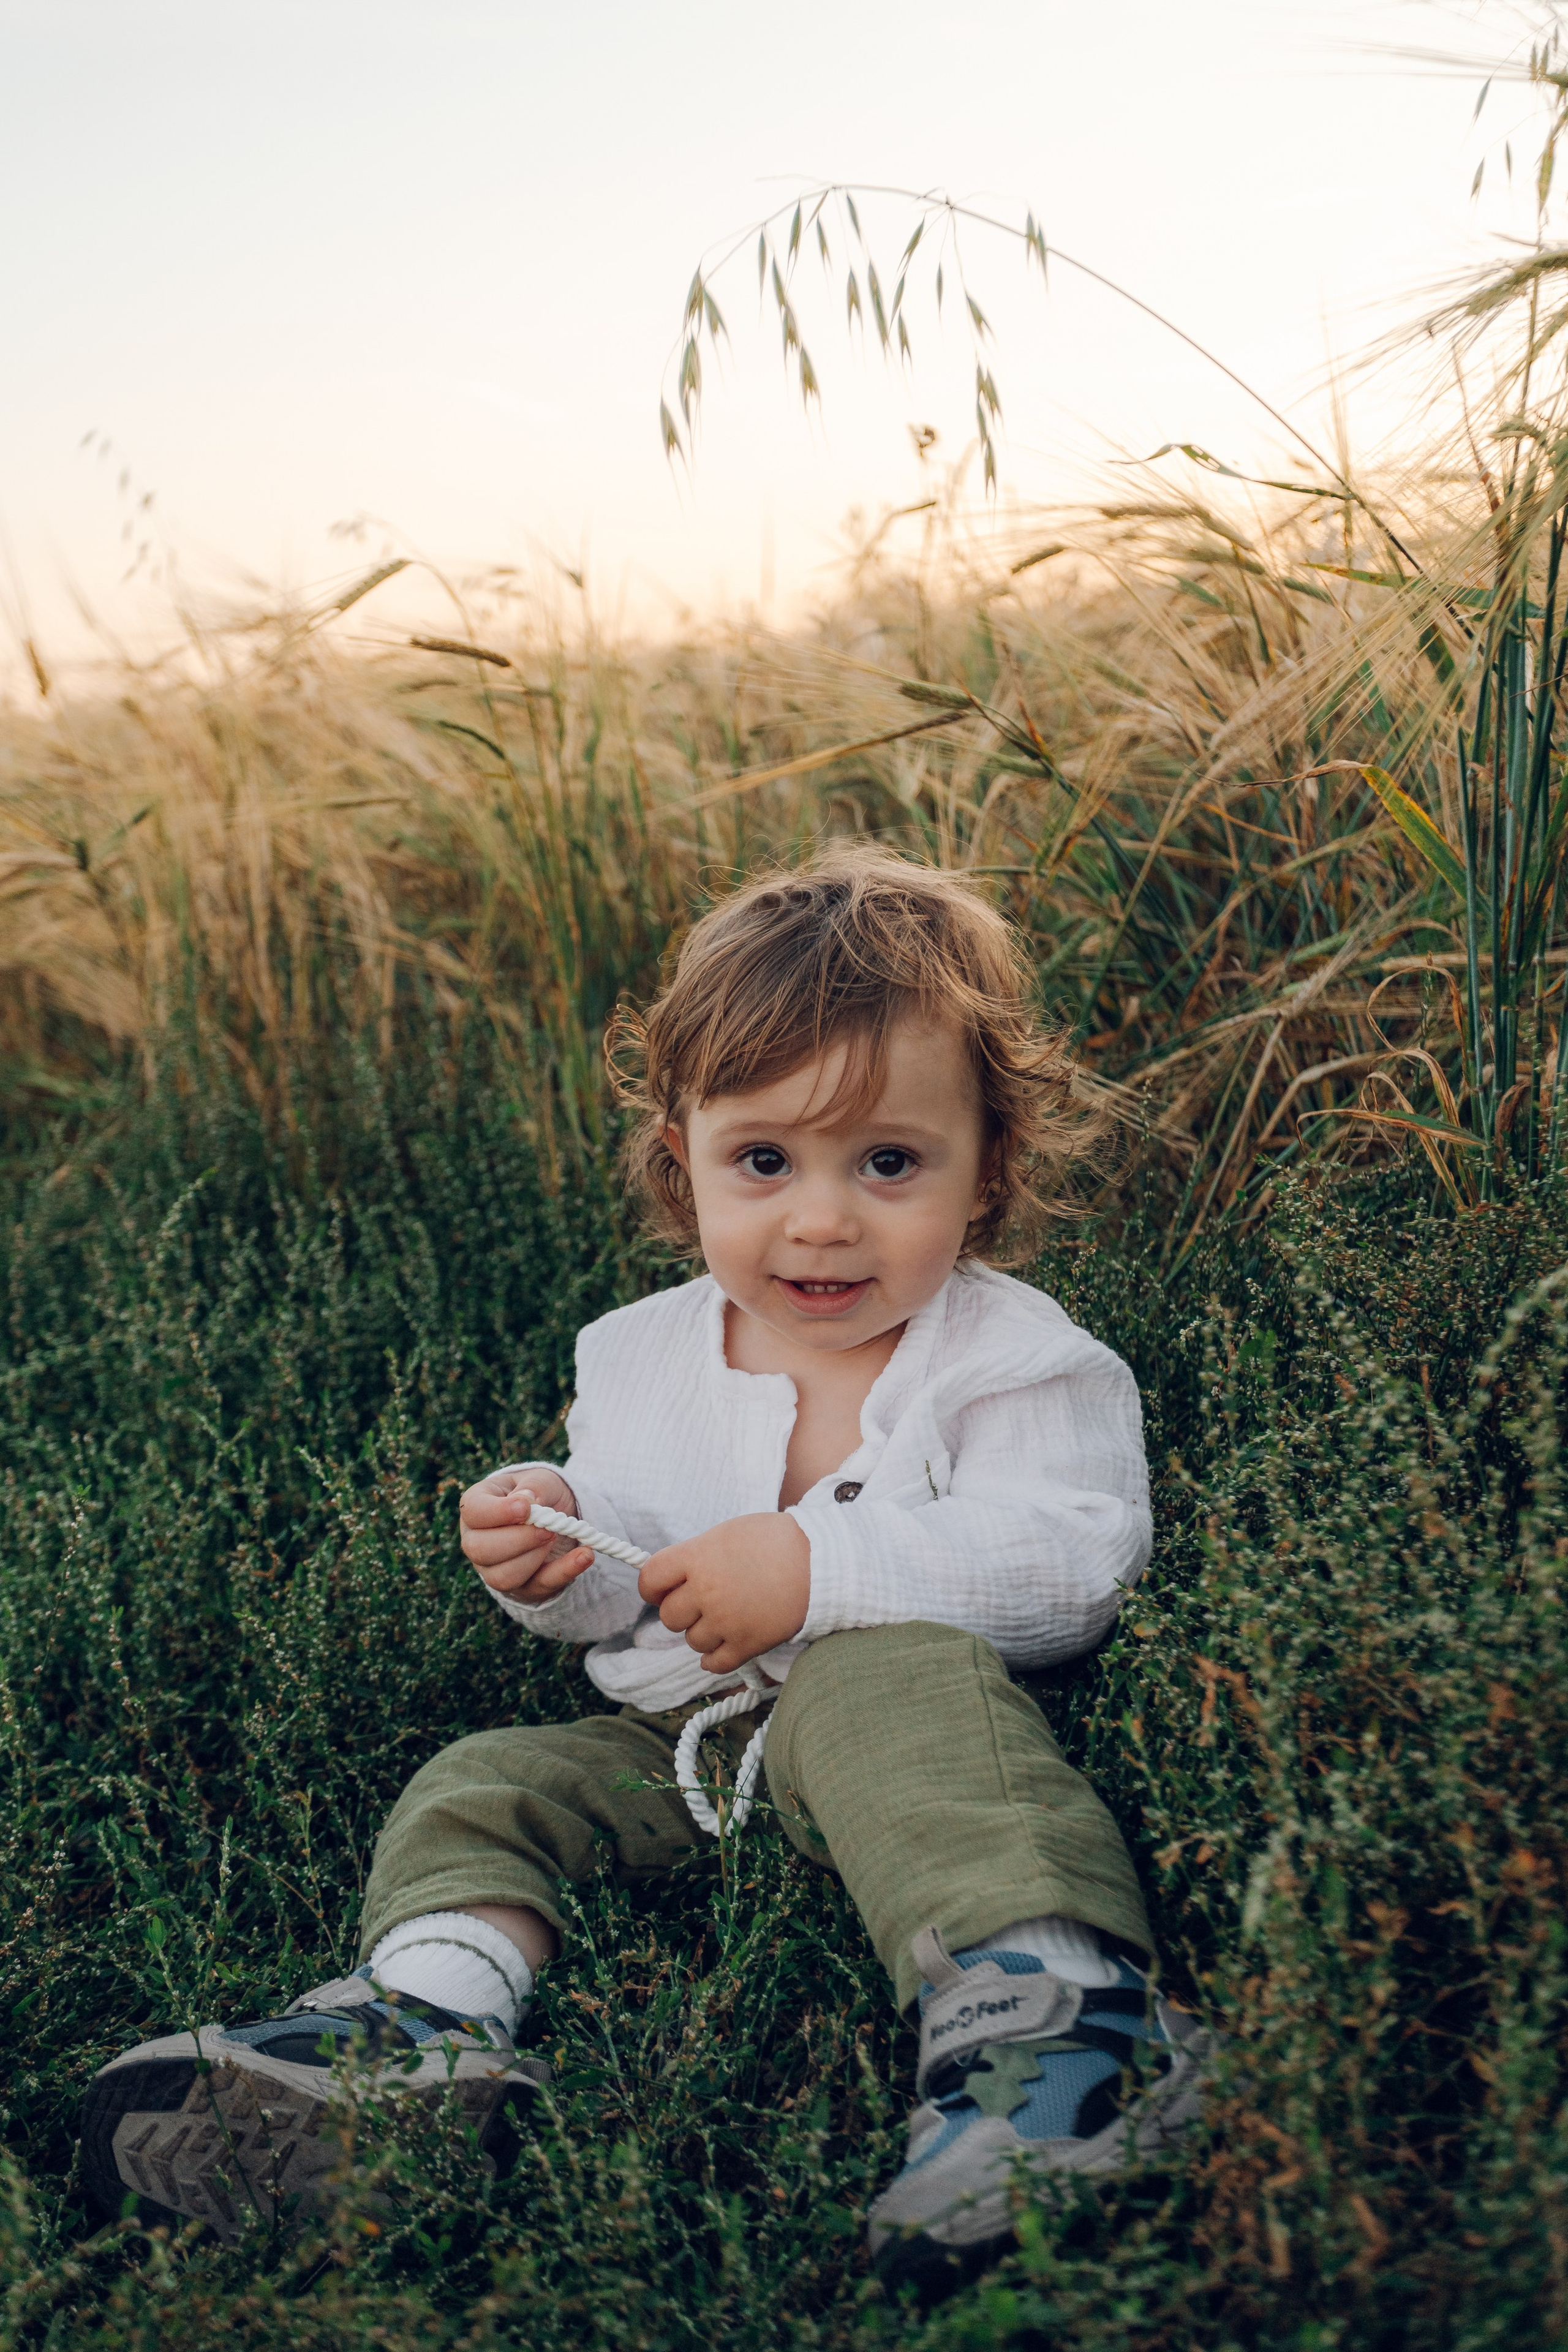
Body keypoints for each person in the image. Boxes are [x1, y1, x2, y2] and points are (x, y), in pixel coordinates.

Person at [83, 848, 1212, 2291]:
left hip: (918, 1750)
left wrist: (817, 1566)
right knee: (487, 1780)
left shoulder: (1019, 1356)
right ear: (678, 1156)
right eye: (762, 1161)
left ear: (987, 1163)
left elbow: (1072, 1559)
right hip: (682, 1751)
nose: (819, 1219)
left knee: (876, 1681)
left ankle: (1062, 2022)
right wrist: (555, 1546)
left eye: (886, 1161)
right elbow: (632, 1557)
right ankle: (419, 2027)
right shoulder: (634, 1350)